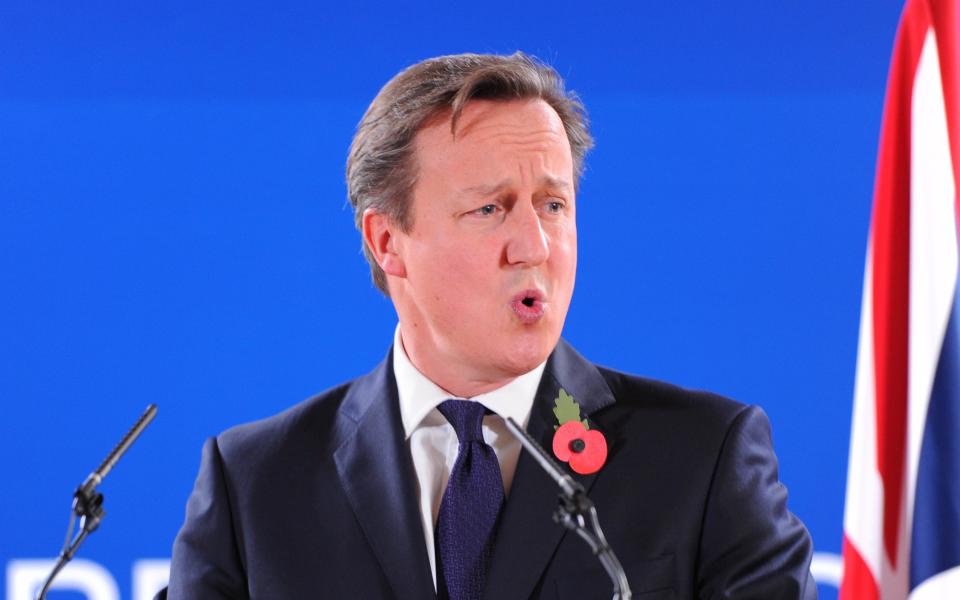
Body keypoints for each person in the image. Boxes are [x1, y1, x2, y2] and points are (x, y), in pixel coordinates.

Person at [162, 52, 817, 599]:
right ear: (388, 241)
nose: (534, 245)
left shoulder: (704, 460)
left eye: (553, 205)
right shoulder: (256, 483)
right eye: (489, 209)